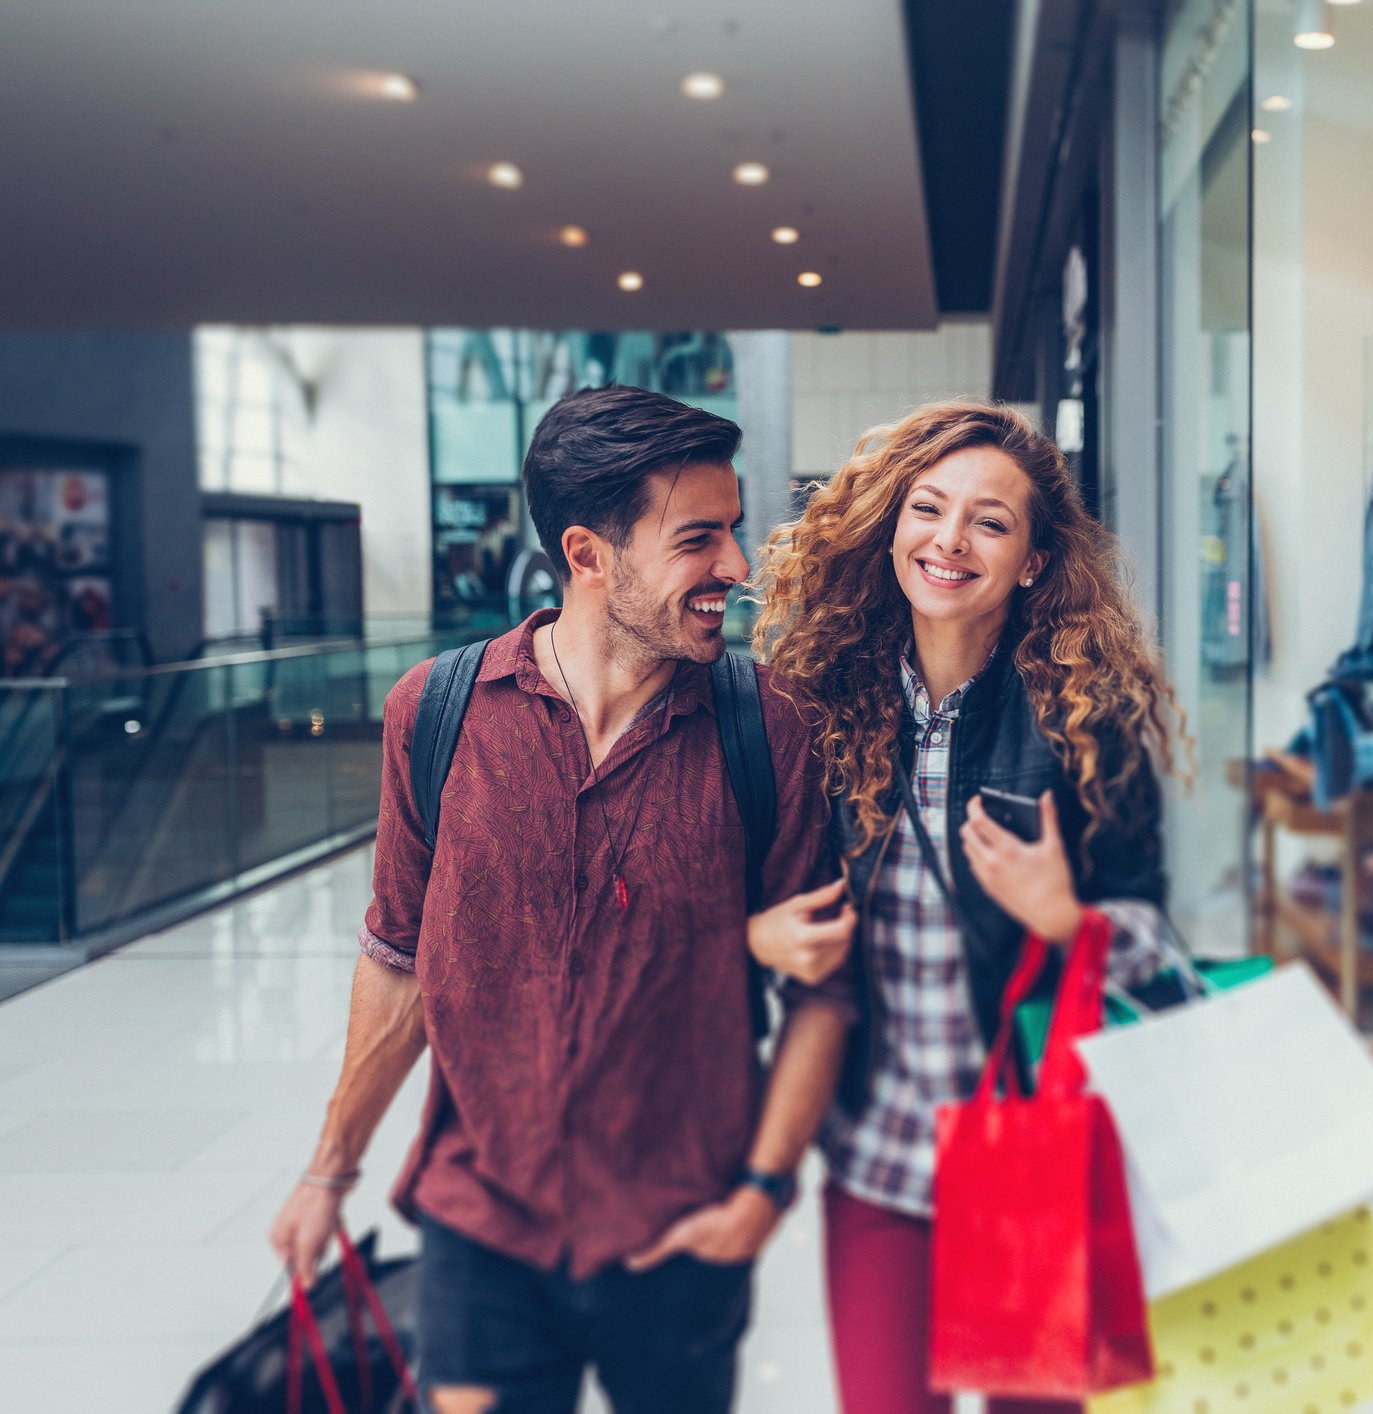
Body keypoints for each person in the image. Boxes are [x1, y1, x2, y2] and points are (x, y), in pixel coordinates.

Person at [268, 386, 858, 1414]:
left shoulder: (766, 727)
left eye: (731, 531)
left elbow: (822, 991)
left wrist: (762, 1193)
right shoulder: (438, 713)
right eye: (698, 539)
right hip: (482, 1221)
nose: (735, 567)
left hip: (681, 1223)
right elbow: (399, 959)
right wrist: (329, 1171)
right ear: (588, 554)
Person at [747, 401, 1189, 1414]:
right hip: (878, 1156)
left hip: (1032, 1151)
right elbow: (749, 889)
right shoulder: (816, 703)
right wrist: (760, 937)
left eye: (989, 522)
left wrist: (1068, 918)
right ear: (892, 525)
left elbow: (1158, 943)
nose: (948, 540)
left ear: (1033, 559)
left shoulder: (1087, 715)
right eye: (928, 508)